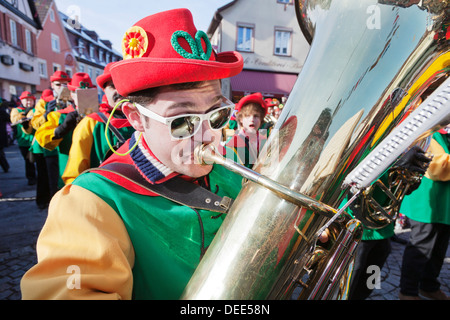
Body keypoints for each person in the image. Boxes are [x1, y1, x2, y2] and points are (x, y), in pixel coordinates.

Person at [21, 8, 244, 300]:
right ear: (136, 118)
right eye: (182, 121)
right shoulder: (89, 204)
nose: (209, 136)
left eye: (217, 115)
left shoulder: (234, 166)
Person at [347, 145, 432, 300]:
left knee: (370, 280)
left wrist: (407, 179)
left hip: (383, 229)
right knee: (349, 283)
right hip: (357, 227)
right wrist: (394, 165)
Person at [398, 126, 450, 300]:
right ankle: (408, 291)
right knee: (420, 248)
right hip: (427, 204)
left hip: (444, 205)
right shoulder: (433, 132)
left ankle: (429, 286)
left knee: (439, 249)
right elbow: (436, 168)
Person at [62, 63, 135, 184]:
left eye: (122, 85)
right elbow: (74, 172)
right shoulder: (90, 123)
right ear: (104, 90)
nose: (119, 91)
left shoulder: (143, 118)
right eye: (113, 86)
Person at [35, 72, 96, 191]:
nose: (83, 96)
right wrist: (61, 129)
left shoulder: (103, 116)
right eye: (78, 92)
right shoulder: (60, 115)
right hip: (69, 173)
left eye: (88, 91)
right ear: (71, 94)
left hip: (97, 172)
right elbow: (42, 138)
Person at [31, 71, 71, 201]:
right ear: (52, 85)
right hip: (50, 148)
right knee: (52, 179)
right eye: (58, 84)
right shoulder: (44, 102)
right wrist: (45, 114)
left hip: (69, 147)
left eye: (65, 84)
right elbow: (35, 124)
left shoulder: (74, 99)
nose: (62, 88)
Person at [224, 92, 268, 168]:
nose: (252, 119)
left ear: (261, 119)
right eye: (247, 116)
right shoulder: (233, 143)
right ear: (240, 119)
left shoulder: (265, 141)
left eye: (256, 116)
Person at [10, 91, 37, 185]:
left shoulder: (36, 110)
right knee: (28, 160)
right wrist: (24, 114)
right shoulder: (16, 110)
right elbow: (14, 119)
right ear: (21, 101)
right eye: (26, 100)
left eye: (30, 100)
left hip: (35, 140)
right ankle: (31, 178)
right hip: (23, 140)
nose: (29, 102)